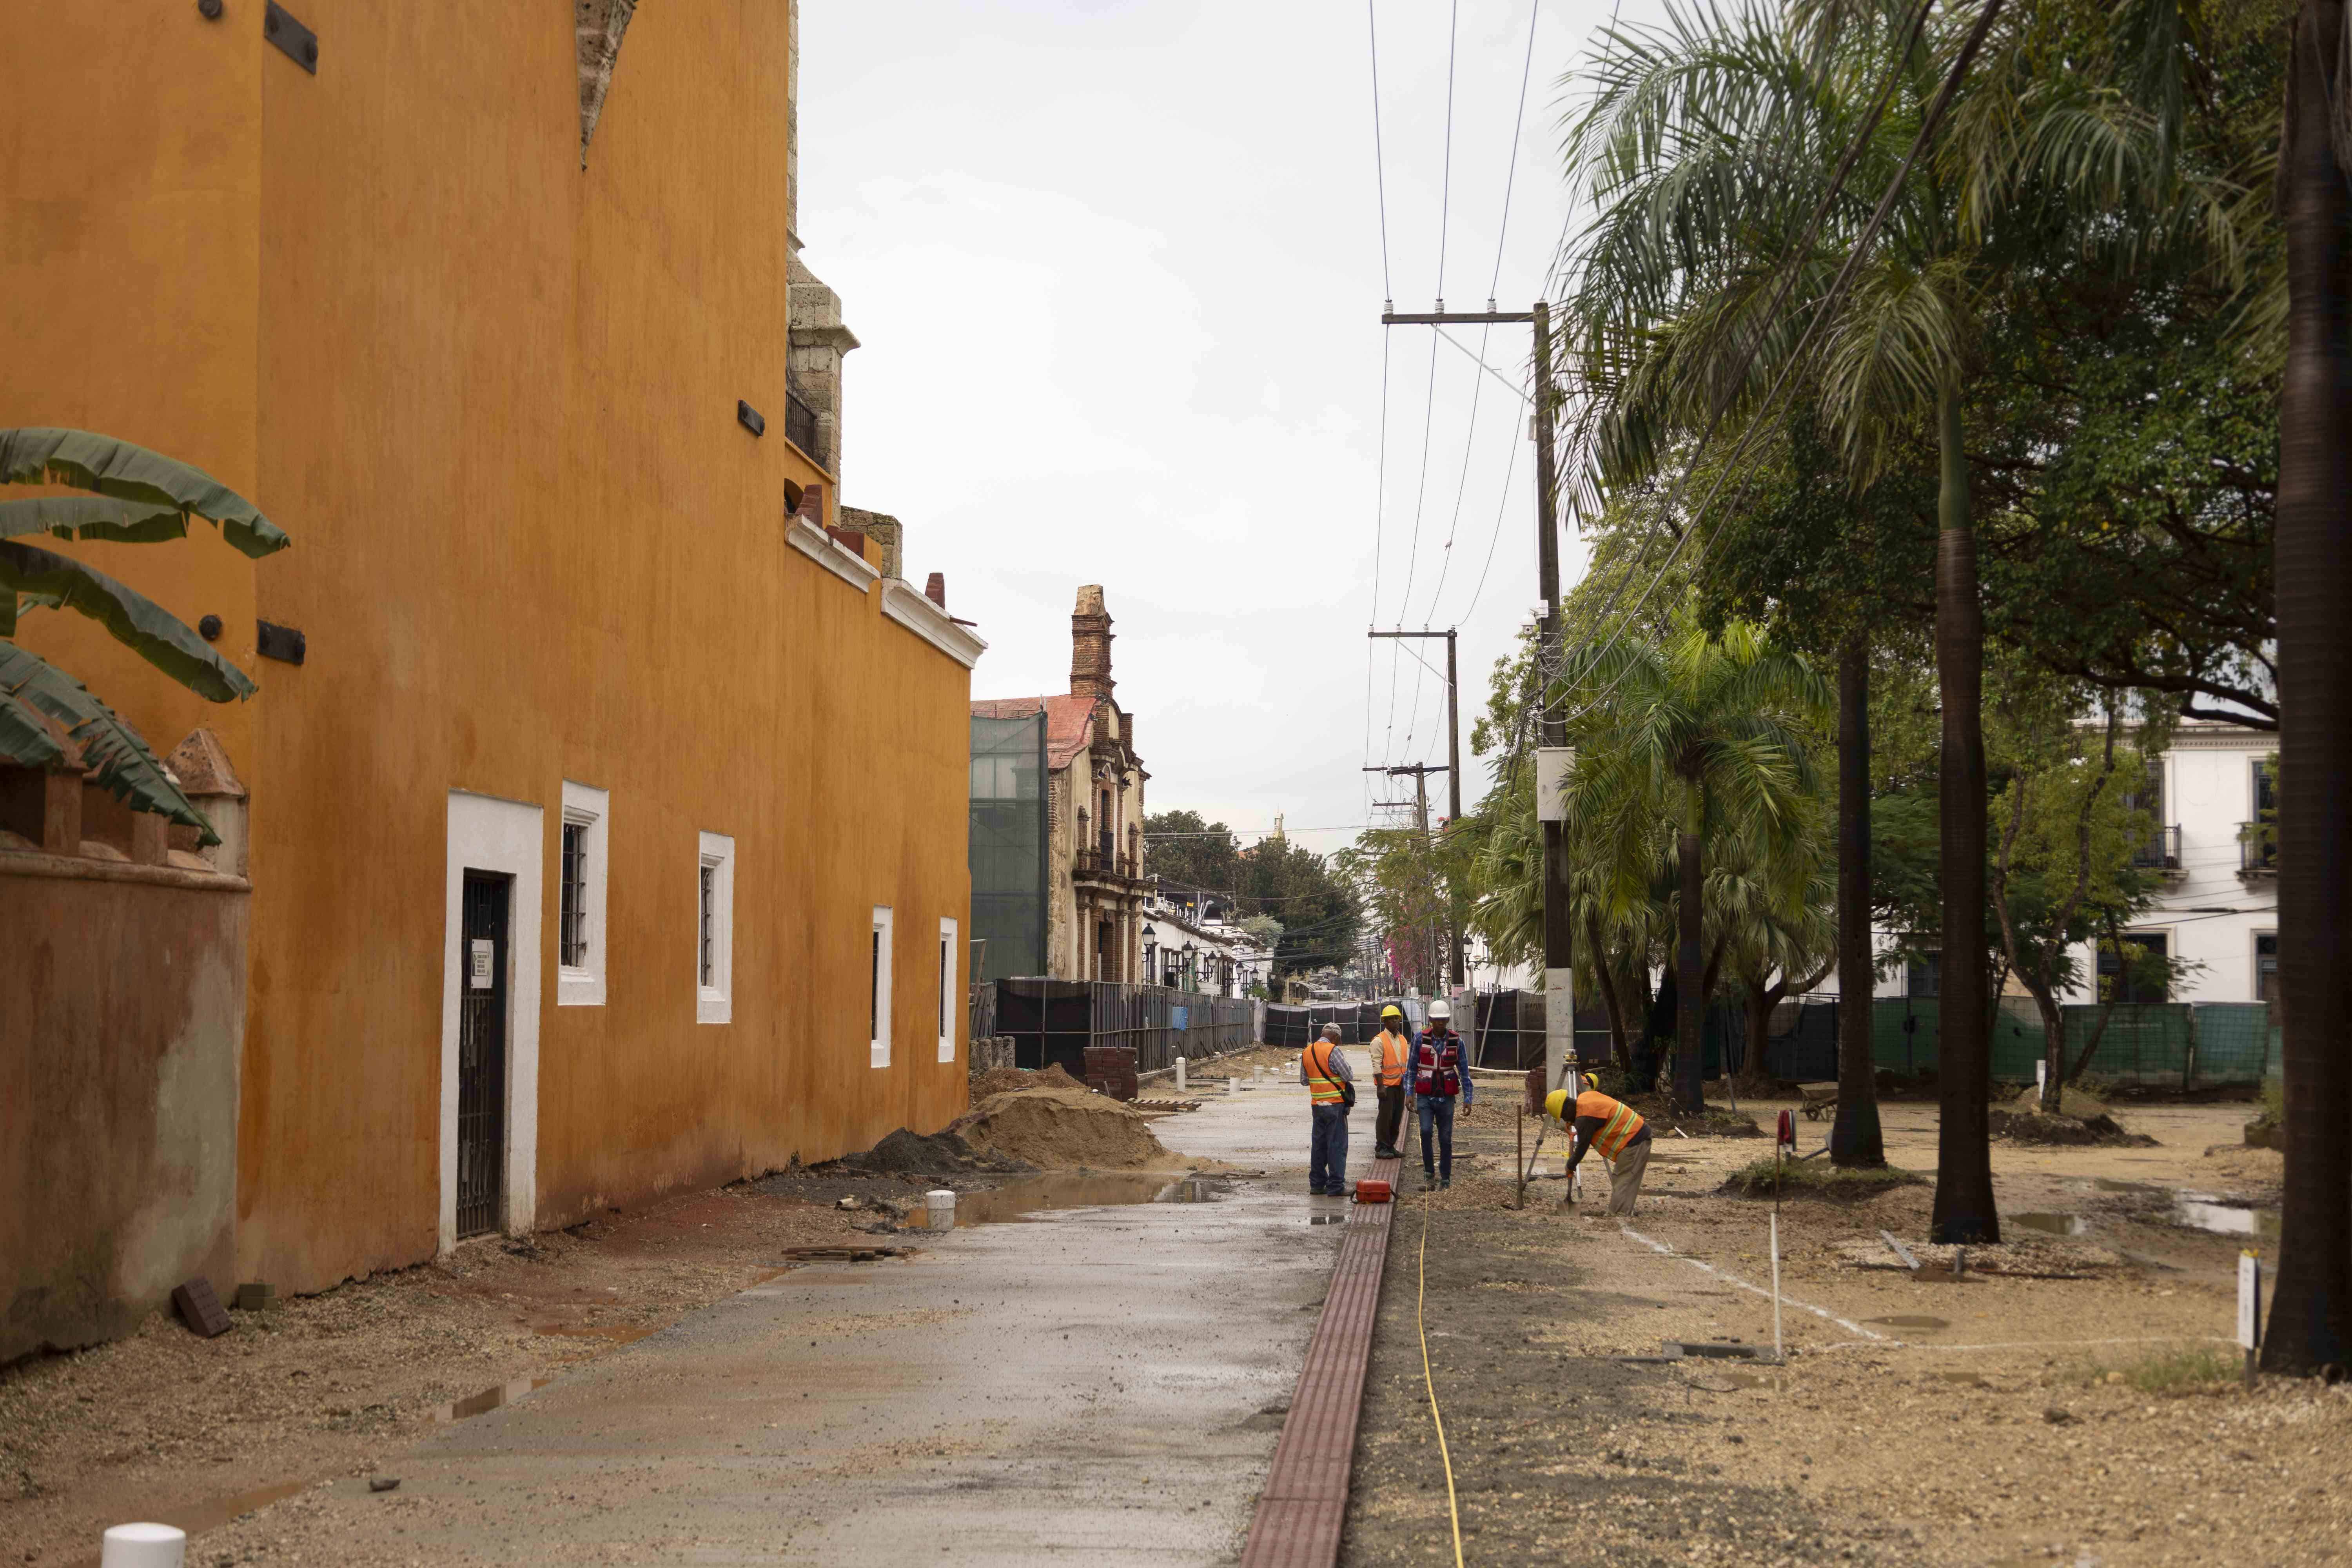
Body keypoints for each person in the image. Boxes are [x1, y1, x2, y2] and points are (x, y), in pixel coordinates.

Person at [1546, 1082, 1652, 1215]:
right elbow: (1595, 1120)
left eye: (1563, 1116)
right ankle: (1625, 1211)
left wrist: (1570, 1165)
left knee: (1622, 1178)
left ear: (1566, 1109)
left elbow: (1582, 1147)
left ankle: (1618, 1214)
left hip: (1633, 1139)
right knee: (1629, 1178)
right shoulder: (1585, 1098)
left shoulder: (1584, 1119)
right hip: (1639, 1134)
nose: (1566, 1120)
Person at [1409, 999, 1472, 1189]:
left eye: (1443, 1020)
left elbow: (1464, 1071)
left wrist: (1468, 1098)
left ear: (1447, 1020)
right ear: (1430, 1020)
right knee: (1426, 1132)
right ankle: (1429, 1176)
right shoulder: (1419, 1040)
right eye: (1437, 1020)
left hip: (1447, 1098)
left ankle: (1446, 1179)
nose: (1440, 1024)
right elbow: (1411, 1069)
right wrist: (1408, 1093)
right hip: (1425, 1097)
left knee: (1445, 1138)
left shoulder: (1457, 1041)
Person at [1301, 1023, 1355, 1196]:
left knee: (1319, 1145)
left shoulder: (1307, 1051)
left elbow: (1304, 1080)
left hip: (1317, 1106)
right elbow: (1347, 1075)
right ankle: (1336, 1186)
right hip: (1335, 1105)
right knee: (1337, 1146)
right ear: (1336, 1037)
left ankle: (1317, 1185)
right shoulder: (1333, 1050)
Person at [1370, 1004, 1413, 1159]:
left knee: (1397, 1117)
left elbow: (1405, 1063)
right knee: (1385, 1118)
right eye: (1392, 1019)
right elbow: (1376, 1065)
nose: (1395, 1021)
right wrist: (1380, 1087)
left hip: (1400, 1085)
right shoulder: (1379, 1041)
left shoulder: (1402, 1039)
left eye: (1397, 1018)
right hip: (1387, 1087)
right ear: (1385, 1022)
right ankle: (1381, 1148)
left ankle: (1391, 1146)